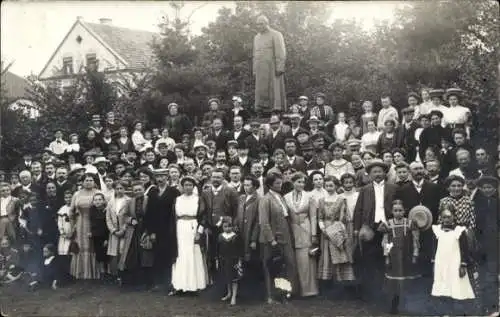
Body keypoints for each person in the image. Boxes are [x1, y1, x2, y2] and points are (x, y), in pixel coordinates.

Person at [353, 159, 398, 302]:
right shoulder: (365, 190)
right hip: (370, 228)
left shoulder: (393, 188)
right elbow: (358, 210)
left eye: (380, 171)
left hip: (388, 228)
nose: (377, 174)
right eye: (374, 172)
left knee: (387, 259)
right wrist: (356, 228)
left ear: (385, 173)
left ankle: (388, 291)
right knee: (369, 260)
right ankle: (372, 292)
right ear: (370, 175)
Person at [259, 172, 299, 303]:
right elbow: (264, 223)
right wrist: (271, 240)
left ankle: (284, 294)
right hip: (272, 239)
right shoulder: (265, 199)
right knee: (271, 267)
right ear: (270, 185)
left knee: (286, 265)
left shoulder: (280, 197)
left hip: (285, 237)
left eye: (280, 182)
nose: (280, 185)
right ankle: (270, 296)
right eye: (277, 183)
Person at [378, 200, 420, 314]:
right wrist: (387, 256)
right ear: (392, 211)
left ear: (404, 211)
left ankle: (407, 305)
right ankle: (394, 305)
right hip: (394, 257)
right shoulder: (388, 224)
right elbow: (386, 242)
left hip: (406, 256)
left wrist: (415, 254)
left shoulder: (410, 223)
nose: (398, 213)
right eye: (395, 210)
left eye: (400, 210)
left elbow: (416, 240)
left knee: (406, 281)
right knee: (394, 283)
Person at [431, 206, 475, 314]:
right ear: (441, 217)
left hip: (455, 262)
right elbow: (433, 247)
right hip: (441, 262)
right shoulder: (437, 230)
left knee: (455, 285)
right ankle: (445, 311)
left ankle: (458, 311)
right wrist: (433, 261)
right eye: (444, 217)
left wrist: (463, 264)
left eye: (449, 217)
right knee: (443, 285)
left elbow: (464, 248)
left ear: (454, 217)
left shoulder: (459, 231)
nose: (447, 219)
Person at [170, 176, 207, 294]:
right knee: (180, 255)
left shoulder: (198, 199)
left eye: (190, 185)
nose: (188, 187)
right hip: (180, 228)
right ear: (182, 186)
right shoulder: (177, 199)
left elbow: (203, 217)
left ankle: (193, 286)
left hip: (193, 227)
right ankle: (179, 285)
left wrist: (199, 232)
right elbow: (173, 216)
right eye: (185, 185)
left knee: (193, 254)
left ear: (194, 187)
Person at [284, 172, 319, 297]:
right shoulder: (286, 197)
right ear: (293, 183)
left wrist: (314, 234)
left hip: (306, 228)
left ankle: (309, 290)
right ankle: (295, 290)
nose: (301, 184)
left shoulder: (309, 196)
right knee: (294, 260)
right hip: (292, 229)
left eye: (303, 182)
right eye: (298, 182)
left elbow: (314, 216)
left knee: (307, 260)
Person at [318, 176, 355, 286]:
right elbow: (320, 217)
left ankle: (341, 282)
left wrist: (335, 230)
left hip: (337, 229)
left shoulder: (341, 200)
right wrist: (323, 228)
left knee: (339, 254)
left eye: (331, 185)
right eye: (327, 186)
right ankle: (328, 283)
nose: (329, 188)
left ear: (336, 186)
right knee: (327, 255)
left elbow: (342, 218)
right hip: (325, 231)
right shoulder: (321, 200)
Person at [119, 181, 156, 289]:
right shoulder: (130, 202)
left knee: (147, 255)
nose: (138, 192)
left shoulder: (149, 200)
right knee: (133, 255)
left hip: (146, 230)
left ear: (144, 190)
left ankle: (148, 282)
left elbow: (154, 215)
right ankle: (134, 282)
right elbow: (123, 215)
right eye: (135, 190)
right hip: (134, 231)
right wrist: (131, 220)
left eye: (139, 189)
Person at [473, 176, 499, 315]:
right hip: (480, 244)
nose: (487, 190)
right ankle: (482, 305)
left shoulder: (497, 203)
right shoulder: (476, 203)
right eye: (484, 187)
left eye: (490, 187)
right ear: (481, 189)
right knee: (482, 275)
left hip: (494, 245)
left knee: (493, 275)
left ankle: (493, 305)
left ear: (495, 188)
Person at [69, 173, 101, 280]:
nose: (88, 182)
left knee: (92, 245)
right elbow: (71, 210)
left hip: (93, 222)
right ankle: (81, 272)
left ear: (94, 182)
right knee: (80, 245)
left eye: (91, 180)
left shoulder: (98, 193)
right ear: (82, 182)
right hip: (80, 223)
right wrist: (73, 225)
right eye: (86, 180)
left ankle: (93, 273)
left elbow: (103, 207)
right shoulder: (77, 194)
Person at [253, 15, 287, 115]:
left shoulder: (276, 34)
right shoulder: (256, 37)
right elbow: (255, 54)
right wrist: (255, 69)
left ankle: (275, 110)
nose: (259, 26)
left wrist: (280, 66)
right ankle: (261, 110)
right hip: (260, 68)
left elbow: (281, 51)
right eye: (257, 24)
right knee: (260, 90)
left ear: (267, 23)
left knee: (274, 89)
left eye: (261, 24)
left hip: (272, 67)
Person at [105, 181, 129, 281]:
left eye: (121, 188)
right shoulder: (111, 202)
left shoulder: (129, 200)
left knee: (123, 251)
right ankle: (115, 275)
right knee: (114, 253)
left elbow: (129, 216)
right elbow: (108, 218)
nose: (119, 190)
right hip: (114, 231)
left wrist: (123, 229)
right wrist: (113, 230)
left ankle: (124, 274)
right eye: (117, 188)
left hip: (125, 231)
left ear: (125, 189)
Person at [218, 216, 243, 306]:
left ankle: (234, 296)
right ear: (222, 227)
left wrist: (239, 261)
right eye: (225, 226)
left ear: (232, 227)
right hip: (224, 260)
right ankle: (229, 293)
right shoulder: (220, 237)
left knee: (234, 279)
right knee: (227, 278)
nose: (227, 228)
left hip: (234, 261)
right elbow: (218, 249)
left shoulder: (236, 237)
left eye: (229, 226)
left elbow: (240, 250)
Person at [56, 190, 74, 281]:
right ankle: (65, 274)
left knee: (72, 253)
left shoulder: (75, 208)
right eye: (66, 197)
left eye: (70, 197)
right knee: (64, 254)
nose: (68, 199)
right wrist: (62, 232)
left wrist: (72, 233)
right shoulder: (62, 209)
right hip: (64, 235)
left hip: (73, 234)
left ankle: (73, 273)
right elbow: (60, 222)